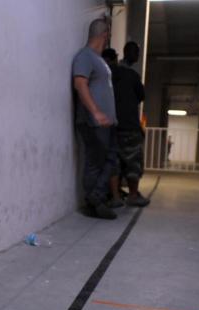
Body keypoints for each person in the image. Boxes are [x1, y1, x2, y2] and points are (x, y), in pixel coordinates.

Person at [72, 19, 120, 219]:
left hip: (107, 123)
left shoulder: (98, 59)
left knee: (110, 159)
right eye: (108, 34)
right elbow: (80, 84)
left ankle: (95, 198)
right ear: (105, 34)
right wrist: (96, 112)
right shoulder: (85, 56)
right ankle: (94, 201)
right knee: (95, 161)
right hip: (93, 122)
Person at [113, 41, 150, 207]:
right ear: (132, 54)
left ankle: (115, 196)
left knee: (115, 162)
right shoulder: (133, 76)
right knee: (133, 162)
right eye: (136, 53)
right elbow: (142, 96)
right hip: (130, 126)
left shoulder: (113, 72)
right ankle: (133, 195)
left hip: (113, 125)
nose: (137, 56)